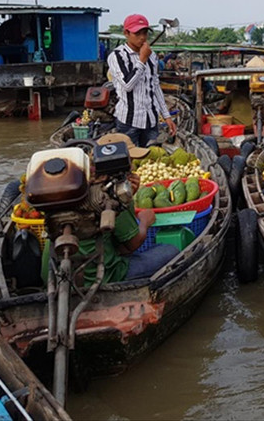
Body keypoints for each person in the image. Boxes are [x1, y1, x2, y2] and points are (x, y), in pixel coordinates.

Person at [41, 133, 179, 285]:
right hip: (99, 278)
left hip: (53, 277)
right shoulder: (111, 195)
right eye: (129, 161)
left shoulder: (70, 186)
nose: (132, 166)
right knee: (170, 251)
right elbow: (133, 244)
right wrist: (145, 221)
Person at [107, 14, 177, 147]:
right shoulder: (118, 56)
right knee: (130, 156)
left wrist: (166, 116)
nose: (142, 37)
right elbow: (127, 85)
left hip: (151, 120)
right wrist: (142, 60)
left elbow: (155, 86)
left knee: (153, 155)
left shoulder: (152, 56)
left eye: (145, 33)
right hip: (129, 121)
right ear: (126, 33)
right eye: (137, 33)